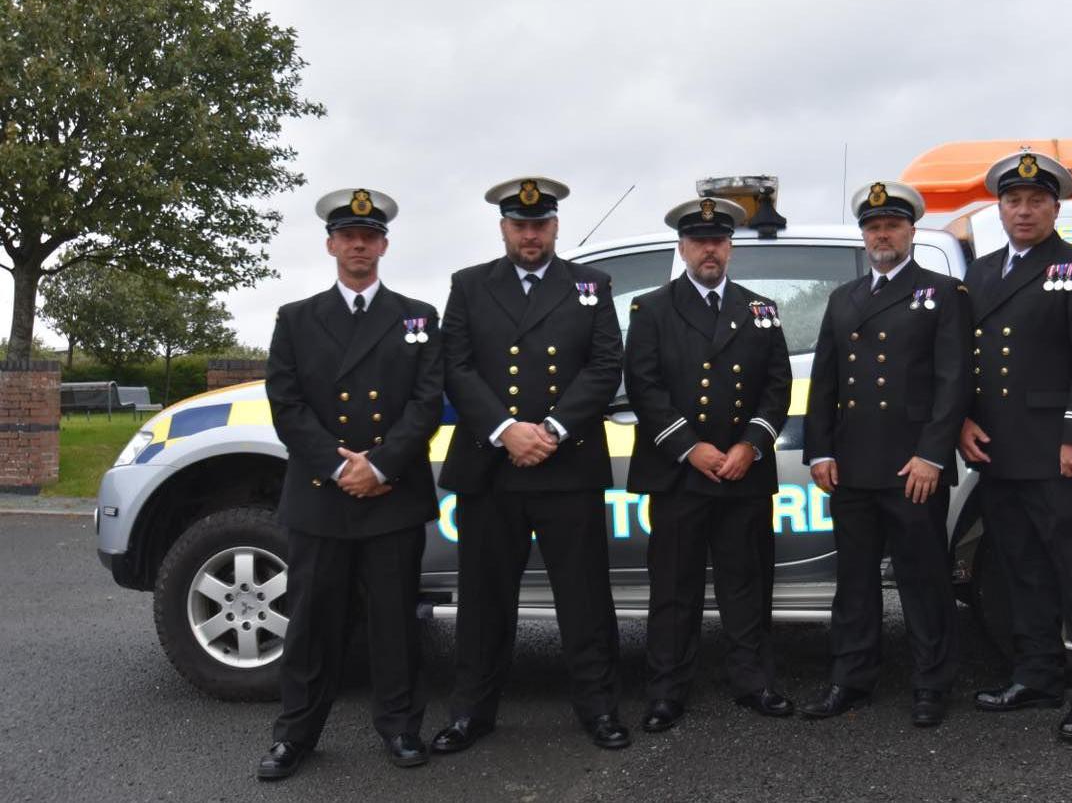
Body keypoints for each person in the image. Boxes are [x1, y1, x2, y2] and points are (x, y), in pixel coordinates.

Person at [431, 176, 630, 751]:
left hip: (565, 463)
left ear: (555, 226)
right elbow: (456, 366)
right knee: (485, 598)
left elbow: (603, 365)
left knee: (585, 596)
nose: (530, 233)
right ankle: (472, 712)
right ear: (503, 229)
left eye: (540, 224)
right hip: (490, 466)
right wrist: (504, 430)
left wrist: (551, 429)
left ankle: (599, 708)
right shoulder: (468, 286)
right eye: (520, 224)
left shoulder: (591, 285)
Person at [258, 188, 443, 779]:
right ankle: (296, 734)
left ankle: (400, 727)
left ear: (384, 244)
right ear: (331, 244)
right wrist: (340, 467)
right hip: (321, 494)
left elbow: (427, 401)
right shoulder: (296, 318)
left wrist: (380, 464)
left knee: (395, 621)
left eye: (369, 236)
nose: (359, 244)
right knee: (313, 622)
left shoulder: (418, 316)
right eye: (348, 236)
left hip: (392, 493)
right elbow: (286, 405)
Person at [960, 151, 1072, 741]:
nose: (1023, 210)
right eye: (1013, 201)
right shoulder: (979, 274)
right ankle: (1035, 676)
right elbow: (965, 361)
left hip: (1060, 452)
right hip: (1000, 453)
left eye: (1035, 201)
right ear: (999, 208)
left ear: (1056, 207)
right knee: (1020, 570)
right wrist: (961, 423)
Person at [800, 181, 971, 727]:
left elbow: (954, 381)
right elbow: (824, 380)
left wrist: (932, 456)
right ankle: (850, 680)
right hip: (852, 467)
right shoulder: (843, 299)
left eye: (892, 226)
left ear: (911, 231)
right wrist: (820, 451)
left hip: (911, 468)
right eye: (873, 228)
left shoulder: (942, 293)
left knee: (924, 580)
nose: (882, 235)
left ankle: (931, 684)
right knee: (854, 582)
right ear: (863, 236)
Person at [624, 196, 795, 733]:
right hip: (678, 473)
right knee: (673, 587)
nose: (710, 250)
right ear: (682, 247)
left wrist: (750, 446)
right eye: (699, 241)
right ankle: (667, 689)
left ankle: (753, 680)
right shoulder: (651, 309)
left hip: (742, 472)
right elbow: (644, 388)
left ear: (730, 247)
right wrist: (690, 447)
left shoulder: (759, 309)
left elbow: (777, 387)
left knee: (747, 582)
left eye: (719, 241)